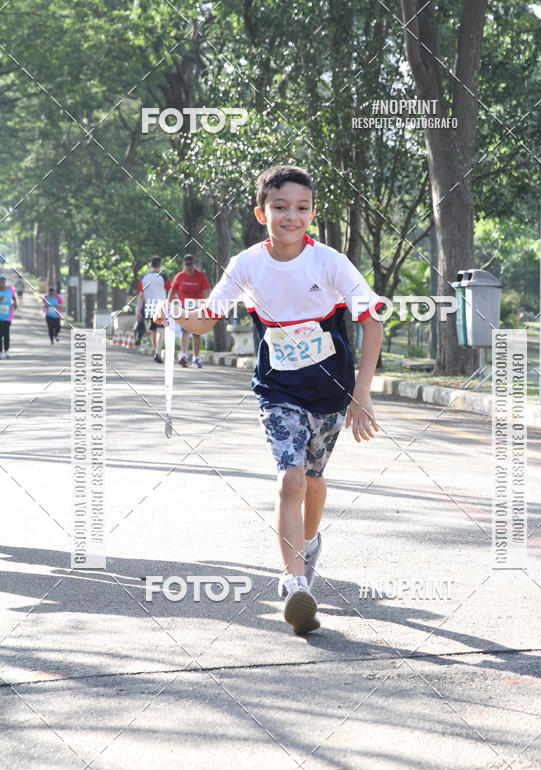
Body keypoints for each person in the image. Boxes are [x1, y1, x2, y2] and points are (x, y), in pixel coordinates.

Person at [156, 164, 383, 635]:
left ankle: (309, 542)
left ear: (312, 214)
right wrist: (175, 312)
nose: (290, 216)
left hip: (329, 393)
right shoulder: (247, 265)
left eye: (301, 208)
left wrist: (361, 395)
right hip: (277, 391)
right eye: (280, 208)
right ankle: (295, 583)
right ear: (263, 214)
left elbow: (372, 321)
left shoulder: (331, 263)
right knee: (291, 481)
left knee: (315, 482)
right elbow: (207, 318)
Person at [167, 253, 211, 367]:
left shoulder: (200, 276)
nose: (189, 267)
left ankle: (196, 358)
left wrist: (206, 303)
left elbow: (207, 290)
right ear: (184, 265)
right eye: (187, 265)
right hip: (184, 308)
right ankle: (184, 355)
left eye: (191, 264)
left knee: (196, 333)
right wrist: (169, 303)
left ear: (193, 265)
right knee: (184, 331)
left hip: (197, 308)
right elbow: (172, 290)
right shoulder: (180, 276)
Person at [136, 256, 171, 363]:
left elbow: (141, 295)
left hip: (149, 307)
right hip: (161, 306)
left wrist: (138, 309)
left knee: (153, 329)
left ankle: (156, 352)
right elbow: (170, 291)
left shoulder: (144, 278)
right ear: (160, 265)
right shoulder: (164, 277)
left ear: (150, 265)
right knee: (160, 329)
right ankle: (158, 352)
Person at [0, 275, 17, 358]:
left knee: (6, 334)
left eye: (3, 281)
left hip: (7, 316)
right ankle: (0, 351)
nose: (1, 282)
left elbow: (14, 298)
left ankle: (6, 351)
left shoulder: (10, 289)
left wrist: (15, 304)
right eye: (0, 281)